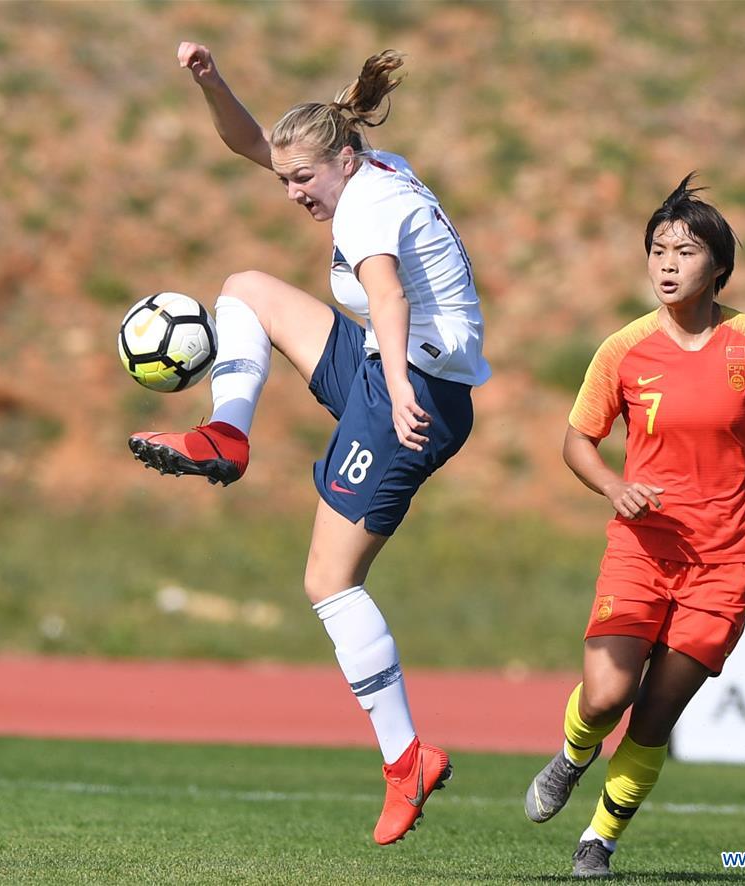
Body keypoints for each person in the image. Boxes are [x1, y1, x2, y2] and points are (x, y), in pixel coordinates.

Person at [128, 43, 491, 845]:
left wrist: (397, 394)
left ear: (343, 161)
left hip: (415, 393)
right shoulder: (368, 168)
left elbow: (389, 297)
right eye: (286, 181)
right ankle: (226, 434)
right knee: (244, 290)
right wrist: (210, 82)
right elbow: (251, 144)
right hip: (384, 369)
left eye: (302, 181)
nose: (291, 193)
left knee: (329, 581)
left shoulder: (363, 205)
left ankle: (407, 761)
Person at [524, 174, 745, 878]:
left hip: (727, 554)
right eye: (656, 249)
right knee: (605, 694)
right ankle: (571, 755)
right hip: (643, 546)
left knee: (654, 714)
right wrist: (613, 487)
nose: (665, 264)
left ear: (716, 265)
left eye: (683, 252)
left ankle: (598, 840)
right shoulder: (623, 349)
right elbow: (575, 442)